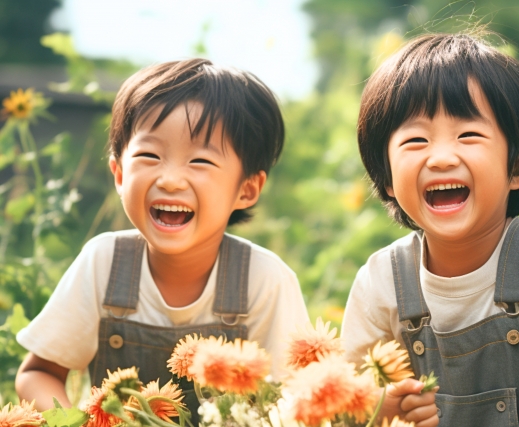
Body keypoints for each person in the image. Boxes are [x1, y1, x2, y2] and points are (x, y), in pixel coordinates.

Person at [342, 33, 519, 427]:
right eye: (416, 140)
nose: (441, 157)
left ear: (518, 167)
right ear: (387, 178)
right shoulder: (380, 282)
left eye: (469, 135)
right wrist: (382, 409)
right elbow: (352, 402)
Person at [15, 59, 309, 417]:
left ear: (246, 190)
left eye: (200, 162)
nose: (170, 179)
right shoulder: (104, 263)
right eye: (149, 155)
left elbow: (292, 401)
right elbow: (38, 373)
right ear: (120, 175)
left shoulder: (265, 281)